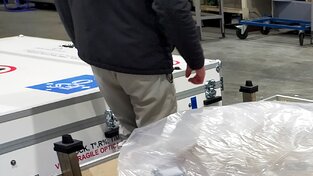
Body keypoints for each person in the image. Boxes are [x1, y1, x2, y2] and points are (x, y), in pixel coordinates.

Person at [55, 0, 206, 137]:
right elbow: (172, 8)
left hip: (100, 56)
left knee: (130, 135)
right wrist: (194, 58)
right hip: (143, 60)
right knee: (157, 140)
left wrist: (83, 43)